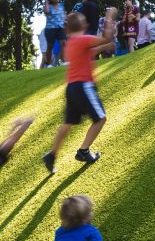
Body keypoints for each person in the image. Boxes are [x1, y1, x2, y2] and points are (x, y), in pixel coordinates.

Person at [42, 9, 117, 173]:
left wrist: (105, 46)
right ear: (82, 25)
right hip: (84, 86)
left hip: (72, 88)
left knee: (68, 123)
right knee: (101, 119)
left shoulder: (71, 44)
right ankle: (83, 151)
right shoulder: (83, 39)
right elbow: (106, 37)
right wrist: (109, 18)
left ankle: (52, 155)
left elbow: (89, 52)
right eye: (84, 22)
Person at [44, 0, 67, 67]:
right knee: (50, 46)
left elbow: (64, 15)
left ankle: (64, 61)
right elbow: (46, 12)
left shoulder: (61, 6)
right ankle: (49, 64)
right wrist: (46, 3)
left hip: (60, 28)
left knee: (63, 43)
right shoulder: (48, 6)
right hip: (50, 28)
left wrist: (65, 21)